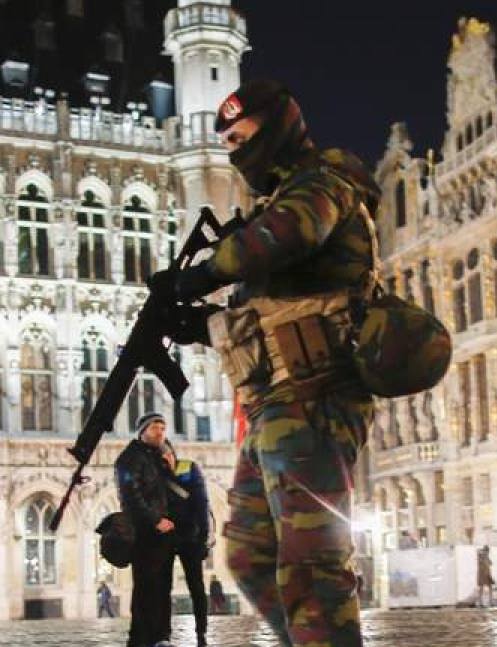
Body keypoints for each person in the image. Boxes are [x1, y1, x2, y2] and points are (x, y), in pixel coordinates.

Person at [150, 80, 381, 647]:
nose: (234, 151)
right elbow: (267, 321)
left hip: (315, 399)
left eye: (242, 136)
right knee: (250, 551)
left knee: (311, 565)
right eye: (226, 141)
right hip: (273, 406)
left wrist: (203, 273)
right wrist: (199, 326)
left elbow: (286, 235)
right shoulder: (273, 208)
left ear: (278, 128)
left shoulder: (322, 185)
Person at [115, 413, 176, 647]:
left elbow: (167, 492)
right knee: (146, 586)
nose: (160, 432)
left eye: (163, 427)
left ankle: (162, 636)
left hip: (163, 533)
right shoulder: (130, 458)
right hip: (145, 532)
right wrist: (155, 521)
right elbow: (130, 495)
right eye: (155, 428)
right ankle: (142, 639)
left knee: (163, 585)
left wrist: (170, 469)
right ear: (142, 431)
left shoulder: (157, 458)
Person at [163, 441, 212, 647]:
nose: (164, 459)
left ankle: (201, 631)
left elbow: (202, 503)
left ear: (172, 453)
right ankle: (163, 633)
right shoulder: (155, 474)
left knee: (196, 586)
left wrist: (203, 537)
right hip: (165, 537)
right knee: (163, 587)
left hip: (190, 537)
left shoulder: (189, 467)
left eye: (166, 454)